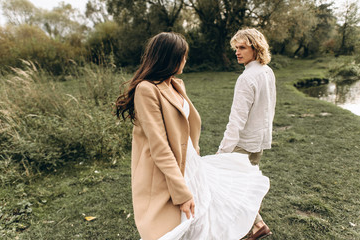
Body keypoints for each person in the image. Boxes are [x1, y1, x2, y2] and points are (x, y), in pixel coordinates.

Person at [116, 32, 270, 240]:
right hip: (168, 170)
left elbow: (186, 124)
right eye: (182, 55)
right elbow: (160, 147)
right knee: (176, 226)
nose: (185, 60)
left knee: (201, 220)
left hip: (190, 163)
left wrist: (194, 152)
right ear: (169, 57)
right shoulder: (147, 89)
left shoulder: (175, 84)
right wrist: (181, 191)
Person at [217, 28, 276, 239]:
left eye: (242, 47)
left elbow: (236, 121)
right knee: (245, 185)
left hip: (242, 143)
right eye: (236, 48)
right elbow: (270, 109)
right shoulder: (267, 71)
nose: (237, 52)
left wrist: (223, 151)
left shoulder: (247, 79)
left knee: (227, 186)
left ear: (255, 47)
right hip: (258, 141)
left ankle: (255, 224)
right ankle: (255, 223)